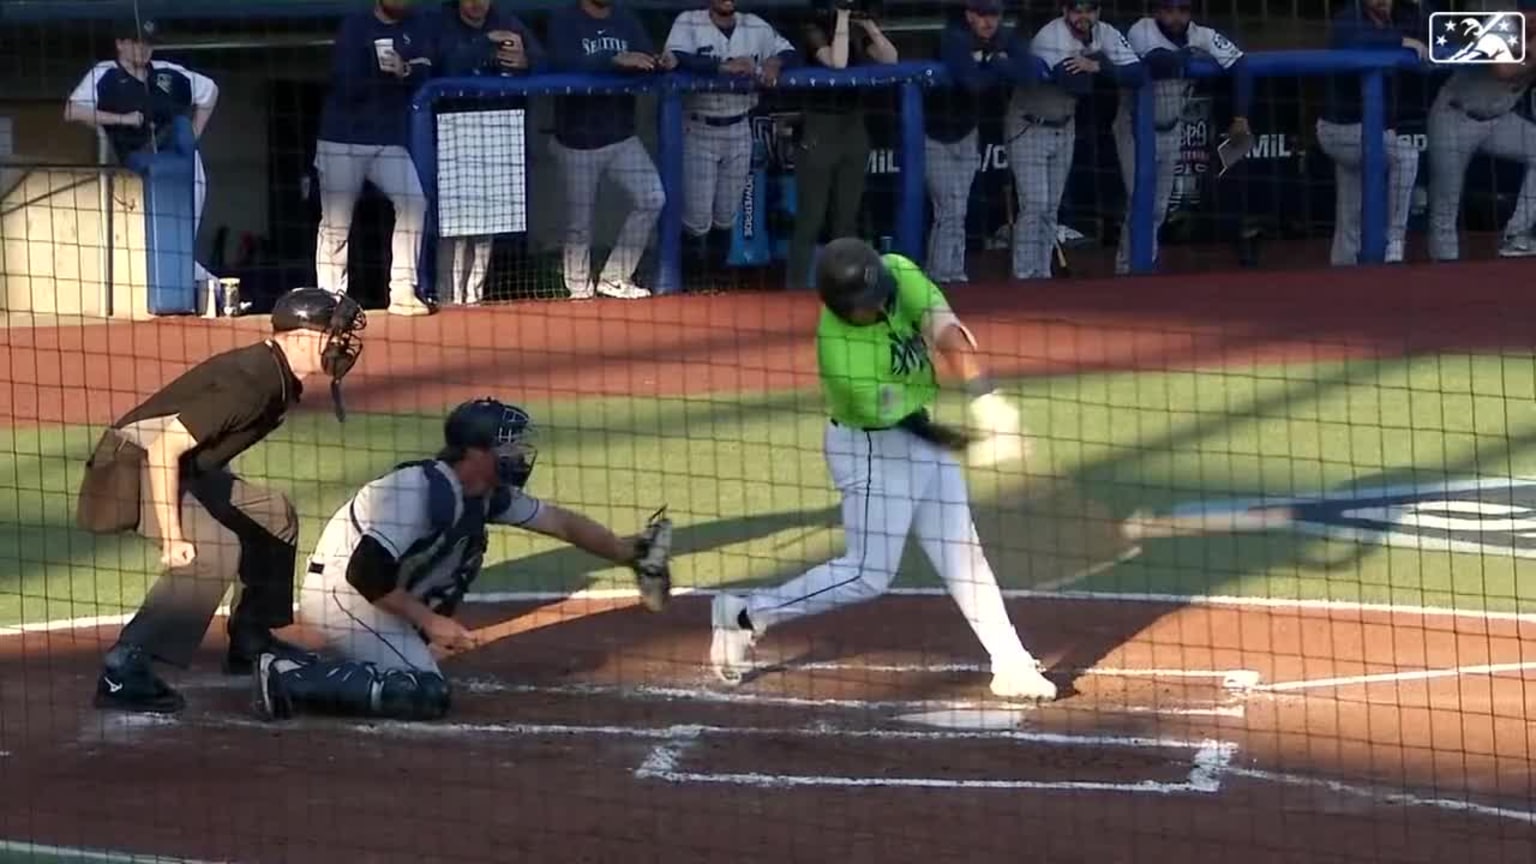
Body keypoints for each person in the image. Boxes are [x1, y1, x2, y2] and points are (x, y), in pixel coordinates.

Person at [708, 238, 1058, 702]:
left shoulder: (896, 270)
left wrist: (989, 403)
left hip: (918, 433)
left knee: (963, 552)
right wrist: (974, 445)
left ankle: (1010, 661)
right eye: (868, 304)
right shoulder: (842, 355)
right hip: (874, 451)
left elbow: (947, 332)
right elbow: (909, 425)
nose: (882, 305)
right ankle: (746, 614)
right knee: (867, 574)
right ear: (842, 307)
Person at [251, 398, 674, 722]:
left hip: (370, 593)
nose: (518, 455)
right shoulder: (417, 491)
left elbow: (560, 523)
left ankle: (331, 662)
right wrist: (432, 622)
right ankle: (288, 676)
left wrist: (630, 553)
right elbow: (364, 572)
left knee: (470, 546)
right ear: (474, 453)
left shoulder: (483, 493)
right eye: (507, 447)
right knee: (424, 694)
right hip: (343, 593)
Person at [77, 288, 367, 714]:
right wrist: (174, 536)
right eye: (334, 333)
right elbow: (163, 450)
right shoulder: (252, 383)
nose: (341, 343)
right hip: (131, 469)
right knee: (212, 551)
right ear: (303, 337)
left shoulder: (277, 373)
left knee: (273, 514)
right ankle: (124, 667)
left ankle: (251, 638)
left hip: (181, 469)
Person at [65, 17, 220, 285]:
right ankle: (201, 278)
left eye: (148, 43)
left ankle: (197, 276)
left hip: (177, 158)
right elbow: (72, 111)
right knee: (156, 234)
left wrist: (196, 133)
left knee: (185, 140)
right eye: (137, 42)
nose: (143, 49)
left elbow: (209, 91)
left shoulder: (166, 72)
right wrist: (121, 119)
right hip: (137, 161)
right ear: (120, 44)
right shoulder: (106, 73)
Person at [314, 0, 437, 316]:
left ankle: (403, 290)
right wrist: (378, 67)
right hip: (342, 138)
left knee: (414, 202)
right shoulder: (356, 25)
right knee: (337, 224)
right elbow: (342, 81)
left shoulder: (419, 24)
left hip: (387, 138)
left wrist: (404, 69)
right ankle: (331, 300)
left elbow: (430, 65)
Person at [1112, 0, 1250, 275]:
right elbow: (1159, 62)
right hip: (1135, 128)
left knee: (1159, 207)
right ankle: (1127, 268)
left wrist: (1240, 116)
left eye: (1182, 10)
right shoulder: (1143, 30)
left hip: (1172, 127)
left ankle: (1144, 265)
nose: (1175, 16)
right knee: (1140, 199)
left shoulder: (1202, 34)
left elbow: (1242, 65)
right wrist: (1191, 55)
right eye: (1168, 9)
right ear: (1157, 11)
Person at [1009, 0, 1143, 280]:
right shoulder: (1050, 36)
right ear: (1065, 12)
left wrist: (1097, 65)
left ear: (1098, 12)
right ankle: (1022, 275)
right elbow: (1074, 84)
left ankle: (1042, 272)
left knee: (1051, 206)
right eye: (1077, 10)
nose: (1083, 16)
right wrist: (1103, 65)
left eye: (1089, 9)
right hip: (1029, 124)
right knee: (1035, 203)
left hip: (1064, 125)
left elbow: (1138, 73)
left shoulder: (1105, 33)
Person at [547, 0, 670, 300]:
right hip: (577, 140)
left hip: (621, 135)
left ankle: (615, 277)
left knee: (653, 198)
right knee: (580, 224)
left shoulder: (625, 17)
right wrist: (614, 60)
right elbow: (564, 61)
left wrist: (656, 61)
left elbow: (640, 54)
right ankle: (578, 290)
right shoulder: (564, 19)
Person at [664, 0, 799, 273]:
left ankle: (716, 281)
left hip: (739, 126)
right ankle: (691, 284)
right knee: (697, 216)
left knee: (727, 212)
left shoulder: (755, 25)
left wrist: (776, 61)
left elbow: (790, 51)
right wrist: (722, 67)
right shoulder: (688, 20)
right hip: (699, 126)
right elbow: (673, 57)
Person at [432, 0, 547, 306]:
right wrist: (484, 43)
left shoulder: (507, 18)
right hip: (452, 128)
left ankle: (474, 295)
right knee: (455, 225)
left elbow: (543, 61)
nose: (477, 4)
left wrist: (526, 61)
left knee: (488, 221)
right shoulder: (440, 21)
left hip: (498, 125)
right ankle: (449, 297)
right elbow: (443, 65)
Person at [784, 0, 899, 291]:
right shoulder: (812, 26)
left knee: (847, 217)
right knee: (811, 217)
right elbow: (838, 62)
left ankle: (845, 287)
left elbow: (891, 59)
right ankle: (795, 288)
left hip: (853, 125)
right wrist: (842, 20)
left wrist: (869, 26)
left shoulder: (857, 30)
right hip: (819, 126)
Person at [1316, 0, 1429, 266]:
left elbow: (1434, 31)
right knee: (1406, 156)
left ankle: (1342, 265)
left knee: (1350, 208)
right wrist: (1400, 41)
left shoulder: (1406, 16)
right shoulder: (1349, 17)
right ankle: (1395, 241)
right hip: (1338, 130)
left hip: (1371, 128)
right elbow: (1355, 41)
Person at [1427, 6, 1536, 260]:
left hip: (1497, 121)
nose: (1532, 20)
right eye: (1528, 14)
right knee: (1446, 200)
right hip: (1455, 115)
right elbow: (1503, 70)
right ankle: (1443, 268)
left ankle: (1516, 235)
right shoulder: (1500, 23)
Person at [924, 0, 1014, 285]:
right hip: (935, 135)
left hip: (967, 132)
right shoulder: (954, 38)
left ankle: (954, 271)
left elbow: (1025, 68)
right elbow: (971, 81)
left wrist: (998, 64)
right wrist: (998, 66)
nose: (989, 21)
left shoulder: (999, 38)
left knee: (958, 207)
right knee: (948, 208)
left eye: (994, 15)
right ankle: (937, 274)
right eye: (982, 15)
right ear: (969, 15)